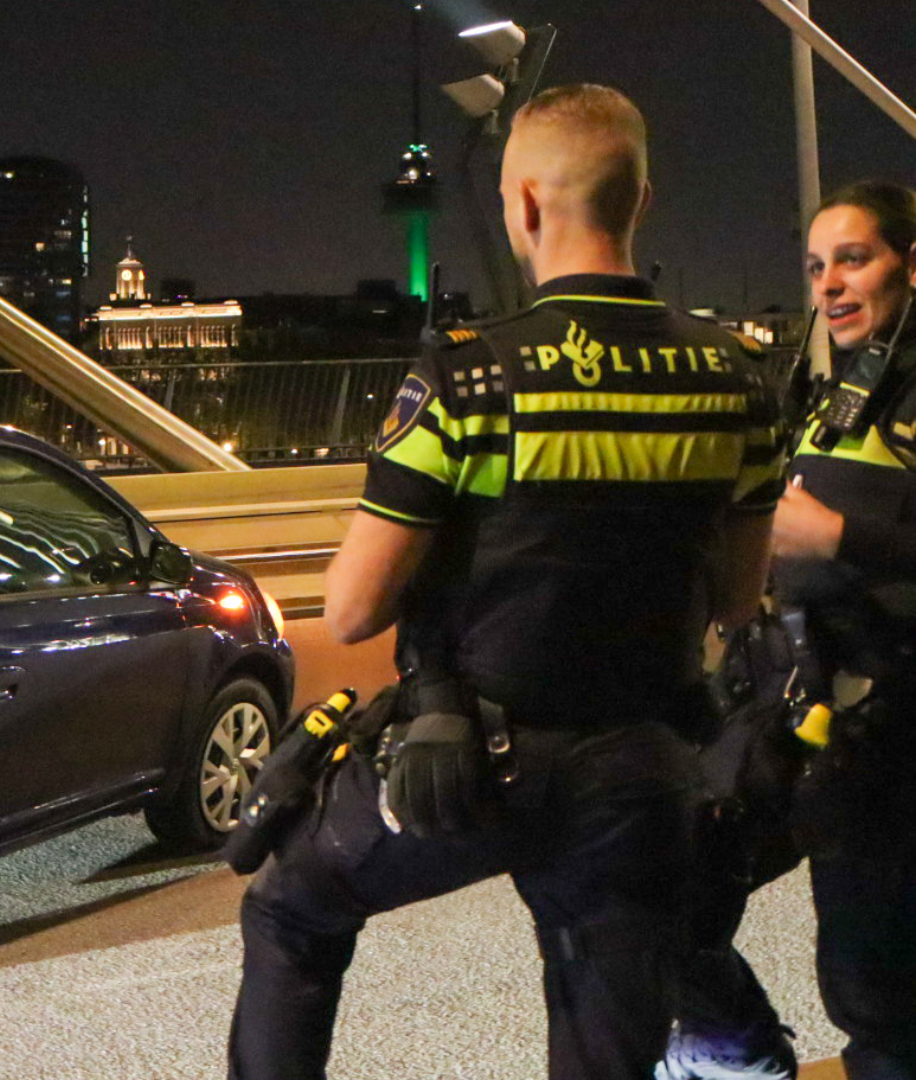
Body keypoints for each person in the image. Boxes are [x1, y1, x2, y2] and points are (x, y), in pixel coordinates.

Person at [226, 83, 784, 1080]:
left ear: (522, 203)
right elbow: (738, 604)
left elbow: (352, 610)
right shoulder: (736, 384)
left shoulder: (473, 382)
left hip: (473, 766)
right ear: (640, 201)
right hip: (643, 772)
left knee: (287, 911)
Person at [662, 180, 916, 1080]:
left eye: (855, 259)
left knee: (877, 990)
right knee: (665, 879)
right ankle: (738, 1050)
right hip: (798, 709)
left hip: (889, 729)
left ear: (912, 263)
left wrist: (839, 535)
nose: (830, 284)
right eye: (817, 266)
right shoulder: (842, 386)